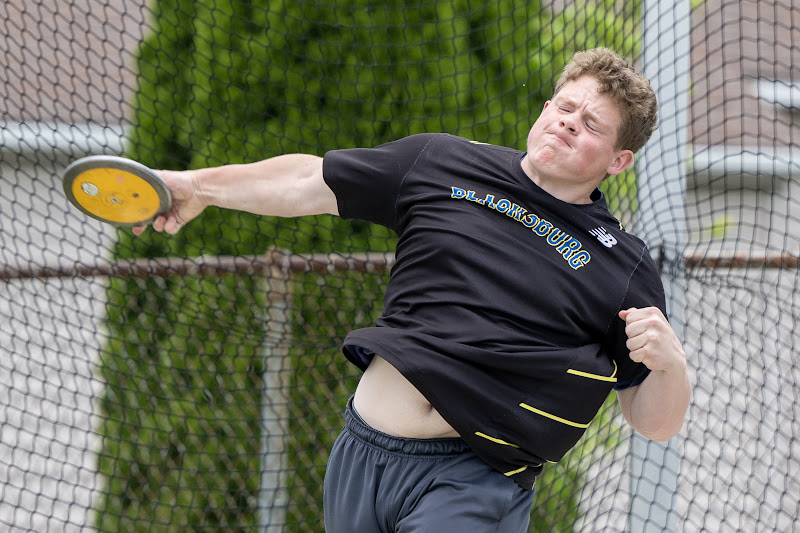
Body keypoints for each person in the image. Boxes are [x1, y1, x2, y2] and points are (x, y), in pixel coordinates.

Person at [134, 47, 691, 532]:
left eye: (592, 124)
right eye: (565, 107)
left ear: (619, 161)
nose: (570, 123)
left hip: (471, 481)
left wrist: (671, 368)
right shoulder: (441, 161)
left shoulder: (622, 266)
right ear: (545, 109)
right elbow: (307, 180)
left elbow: (653, 422)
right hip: (360, 456)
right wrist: (196, 186)